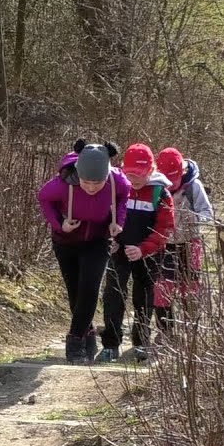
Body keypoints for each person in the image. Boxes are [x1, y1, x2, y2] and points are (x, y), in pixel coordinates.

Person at [36, 139, 130, 364]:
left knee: (89, 288)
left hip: (98, 240)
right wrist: (60, 224)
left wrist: (118, 221)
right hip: (66, 241)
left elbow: (124, 196)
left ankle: (75, 341)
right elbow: (44, 198)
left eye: (97, 183)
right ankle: (88, 336)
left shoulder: (118, 181)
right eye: (86, 182)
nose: (91, 188)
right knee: (75, 293)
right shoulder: (63, 182)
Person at [99, 143, 175, 362]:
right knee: (113, 294)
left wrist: (143, 249)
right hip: (119, 250)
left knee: (144, 297)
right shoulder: (117, 187)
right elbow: (104, 216)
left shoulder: (161, 193)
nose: (134, 179)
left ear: (151, 170)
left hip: (148, 254)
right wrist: (109, 239)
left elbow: (164, 229)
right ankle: (111, 344)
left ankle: (141, 342)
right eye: (130, 173)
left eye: (139, 174)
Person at [153, 148, 215, 340]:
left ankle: (192, 332)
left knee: (190, 288)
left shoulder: (193, 186)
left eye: (175, 178)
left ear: (182, 171)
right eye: (168, 179)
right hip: (164, 244)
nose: (172, 183)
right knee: (161, 288)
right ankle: (165, 332)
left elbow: (208, 213)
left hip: (190, 242)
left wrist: (195, 219)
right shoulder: (155, 186)